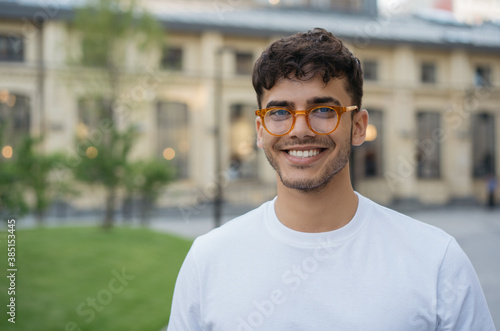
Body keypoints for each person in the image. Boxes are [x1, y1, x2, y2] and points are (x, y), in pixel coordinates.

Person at [167, 28, 495, 330]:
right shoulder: (207, 261)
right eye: (279, 112)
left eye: (323, 110)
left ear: (358, 126)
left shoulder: (437, 261)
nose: (300, 130)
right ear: (260, 130)